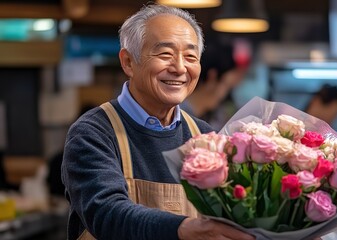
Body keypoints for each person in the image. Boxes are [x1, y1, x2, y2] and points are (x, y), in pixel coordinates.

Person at [61, 4, 255, 240]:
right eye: (165, 54)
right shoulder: (93, 132)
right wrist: (182, 229)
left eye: (191, 56)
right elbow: (106, 213)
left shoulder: (205, 136)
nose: (180, 67)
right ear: (128, 62)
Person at [180, 42, 245, 124]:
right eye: (226, 85)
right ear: (212, 77)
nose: (225, 93)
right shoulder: (177, 117)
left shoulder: (205, 116)